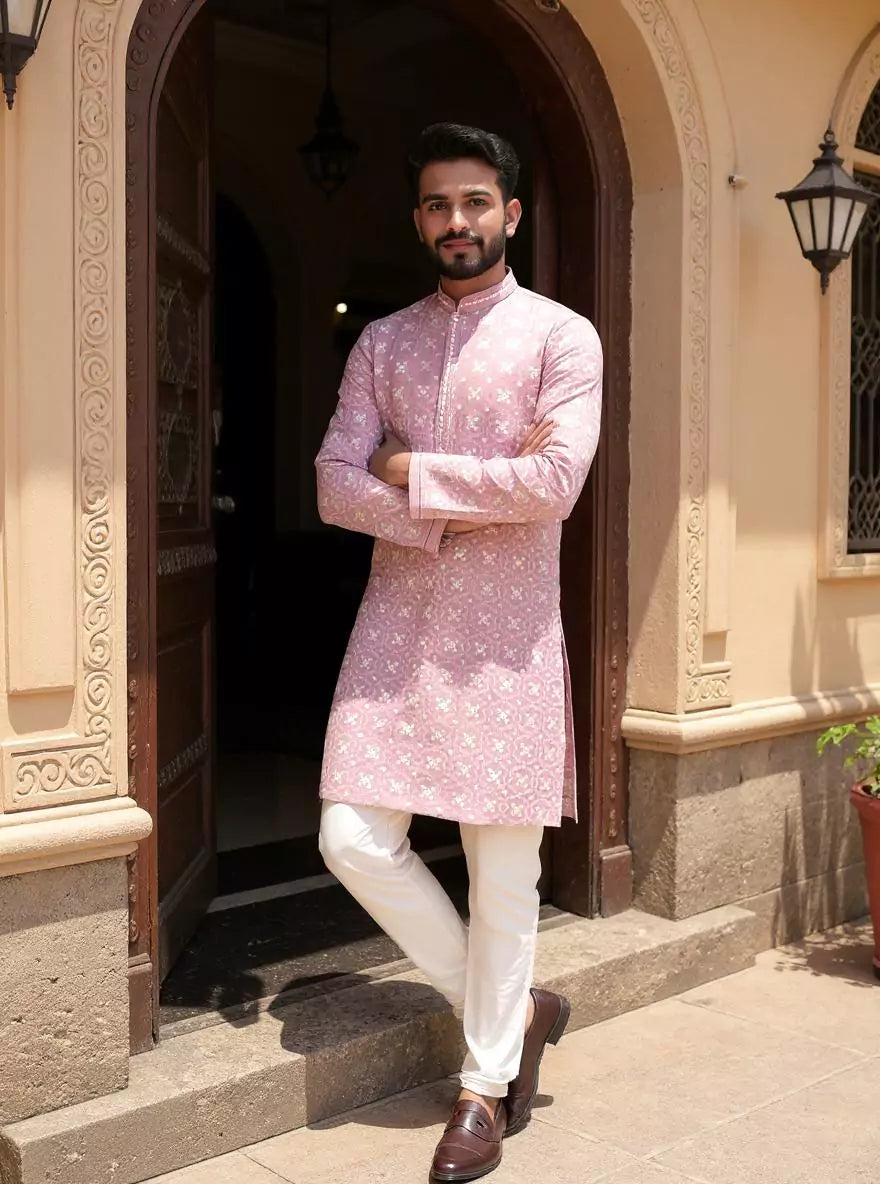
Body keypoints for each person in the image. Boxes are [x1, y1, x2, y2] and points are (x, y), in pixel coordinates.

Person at [315, 122, 603, 1183]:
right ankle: (516, 1009)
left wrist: (408, 470)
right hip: (396, 629)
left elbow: (554, 484)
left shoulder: (562, 338)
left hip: (508, 640)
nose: (456, 220)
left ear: (509, 213)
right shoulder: (382, 343)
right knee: (351, 837)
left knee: (502, 873)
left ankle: (483, 1086)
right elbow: (332, 484)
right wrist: (465, 504)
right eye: (438, 204)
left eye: (475, 201)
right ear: (419, 220)